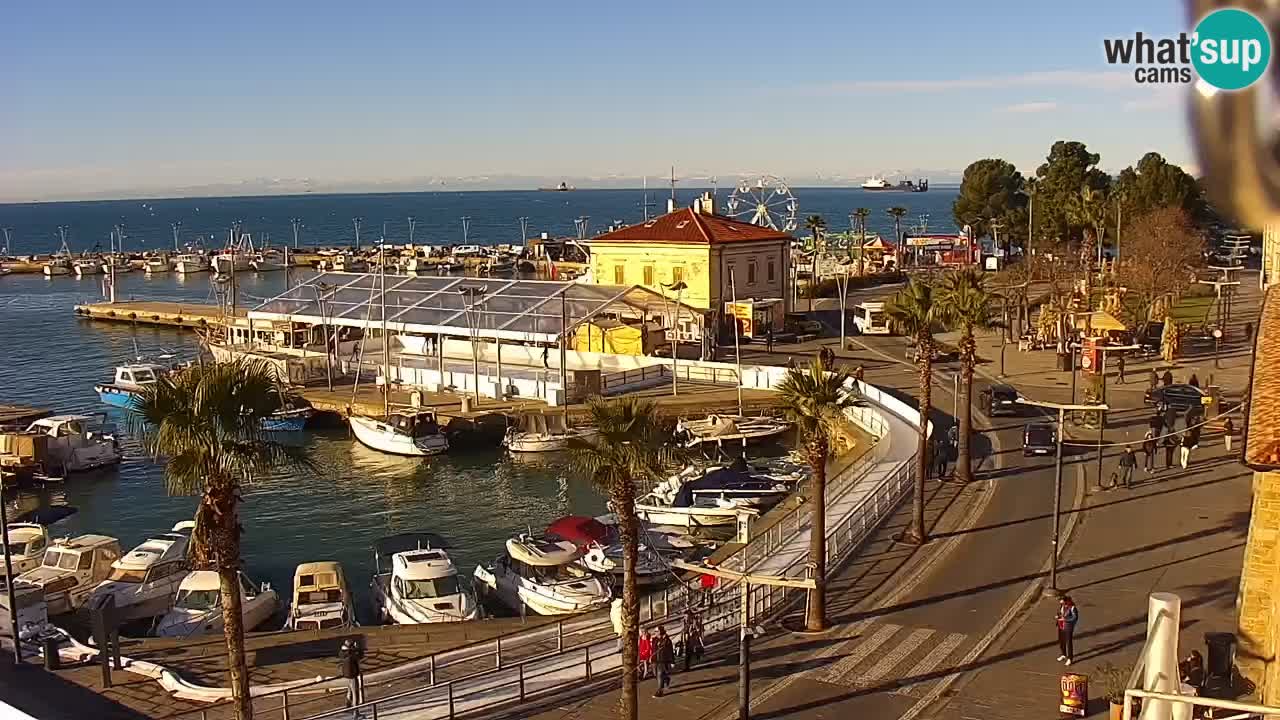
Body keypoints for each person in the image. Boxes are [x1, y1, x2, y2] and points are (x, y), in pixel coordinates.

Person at [339, 638, 364, 709]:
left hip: (346, 675)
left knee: (349, 690)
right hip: (352, 675)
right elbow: (360, 656)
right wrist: (358, 648)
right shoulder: (351, 654)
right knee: (355, 693)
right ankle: (356, 711)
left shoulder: (342, 653)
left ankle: (348, 705)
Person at [1056, 595, 1079, 665]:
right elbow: (1061, 613)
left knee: (1068, 642)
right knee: (1061, 641)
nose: (1060, 602)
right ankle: (1063, 654)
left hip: (1068, 627)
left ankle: (1070, 658)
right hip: (1061, 625)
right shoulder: (1062, 606)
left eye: (1061, 600)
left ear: (1066, 601)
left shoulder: (1072, 608)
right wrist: (1058, 616)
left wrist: (1065, 619)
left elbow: (1074, 618)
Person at [653, 626, 675, 697]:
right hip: (656, 660)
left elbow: (670, 651)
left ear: (660, 632)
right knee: (656, 674)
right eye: (655, 631)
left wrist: (672, 661)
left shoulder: (667, 640)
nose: (655, 633)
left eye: (656, 631)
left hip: (663, 660)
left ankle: (660, 691)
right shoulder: (655, 640)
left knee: (660, 675)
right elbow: (654, 650)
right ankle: (666, 679)